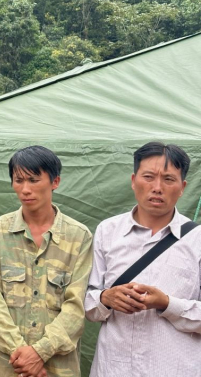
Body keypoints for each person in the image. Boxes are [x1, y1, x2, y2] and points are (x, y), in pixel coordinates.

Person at [85, 142, 201, 376]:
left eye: (168, 179)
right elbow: (88, 303)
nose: (157, 187)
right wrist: (106, 297)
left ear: (182, 187)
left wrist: (167, 303)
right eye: (148, 176)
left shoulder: (197, 239)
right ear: (133, 180)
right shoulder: (108, 231)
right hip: (113, 368)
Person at [0, 146, 93, 377]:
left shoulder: (79, 236)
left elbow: (76, 306)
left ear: (55, 181)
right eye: (18, 180)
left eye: (33, 179)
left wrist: (40, 352)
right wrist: (21, 354)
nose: (25, 189)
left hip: (56, 366)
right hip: (2, 364)